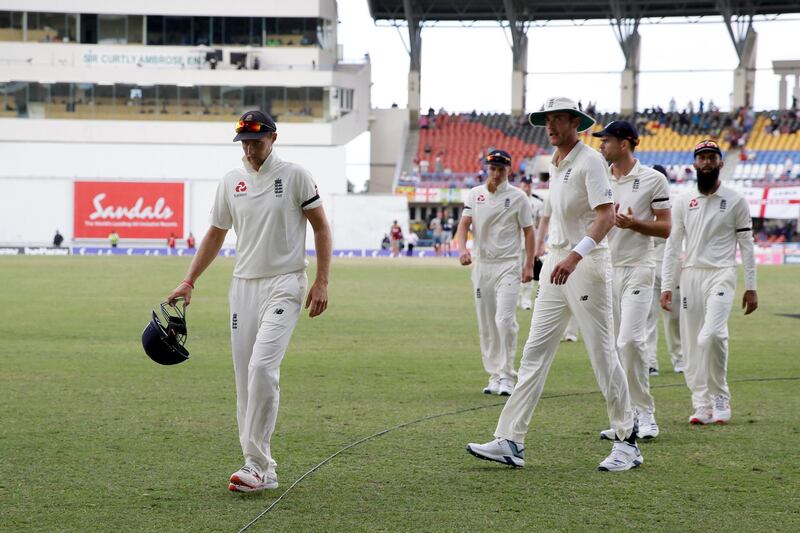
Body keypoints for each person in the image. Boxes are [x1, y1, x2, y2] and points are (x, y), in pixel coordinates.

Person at [467, 97, 641, 472]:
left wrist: (574, 256)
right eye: (546, 119)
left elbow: (607, 216)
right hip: (556, 265)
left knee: (601, 354)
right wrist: (550, 258)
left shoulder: (590, 161)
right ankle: (510, 439)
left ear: (574, 122)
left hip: (585, 264)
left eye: (557, 119)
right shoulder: (555, 162)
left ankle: (627, 441)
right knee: (533, 353)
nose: (549, 126)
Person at [166, 110, 332, 493]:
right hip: (243, 287)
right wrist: (189, 280)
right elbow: (215, 234)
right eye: (244, 141)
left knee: (261, 368)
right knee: (244, 379)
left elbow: (321, 226)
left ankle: (254, 465)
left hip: (285, 283)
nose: (250, 147)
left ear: (274, 137)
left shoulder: (295, 175)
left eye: (257, 140)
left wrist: (322, 281)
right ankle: (263, 468)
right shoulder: (230, 182)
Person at [661, 139, 758, 425]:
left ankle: (719, 395)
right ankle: (701, 403)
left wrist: (751, 287)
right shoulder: (683, 200)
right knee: (691, 344)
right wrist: (667, 285)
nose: (706, 162)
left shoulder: (736, 200)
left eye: (711, 157)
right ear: (694, 164)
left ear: (720, 163)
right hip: (690, 274)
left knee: (711, 335)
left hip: (722, 273)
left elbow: (747, 245)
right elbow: (672, 245)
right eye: (701, 157)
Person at [592, 121, 672, 441]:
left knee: (630, 341)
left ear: (624, 144)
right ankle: (625, 420)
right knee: (612, 349)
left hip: (639, 267)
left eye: (606, 141)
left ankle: (645, 412)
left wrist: (634, 224)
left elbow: (665, 228)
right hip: (607, 271)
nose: (601, 146)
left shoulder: (654, 179)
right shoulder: (600, 179)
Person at [455, 150, 535, 396]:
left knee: (504, 320)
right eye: (493, 169)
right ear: (487, 169)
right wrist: (462, 250)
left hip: (508, 265)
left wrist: (529, 265)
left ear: (509, 170)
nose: (497, 174)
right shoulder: (475, 194)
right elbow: (464, 225)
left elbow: (529, 232)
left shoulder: (519, 197)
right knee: (487, 322)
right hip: (482, 266)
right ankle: (494, 375)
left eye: (501, 169)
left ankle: (508, 375)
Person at [646, 165, 683, 375]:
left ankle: (678, 358)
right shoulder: (641, 203)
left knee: (674, 315)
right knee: (647, 316)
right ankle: (650, 361)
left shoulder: (676, 204)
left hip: (671, 264)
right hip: (648, 264)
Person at [516, 177, 544, 311]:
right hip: (515, 241)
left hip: (530, 241)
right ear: (521, 185)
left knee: (529, 268)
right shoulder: (515, 200)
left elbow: (540, 224)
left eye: (528, 185)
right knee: (515, 270)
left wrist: (539, 243)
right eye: (524, 185)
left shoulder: (537, 203)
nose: (526, 187)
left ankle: (526, 300)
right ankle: (515, 298)